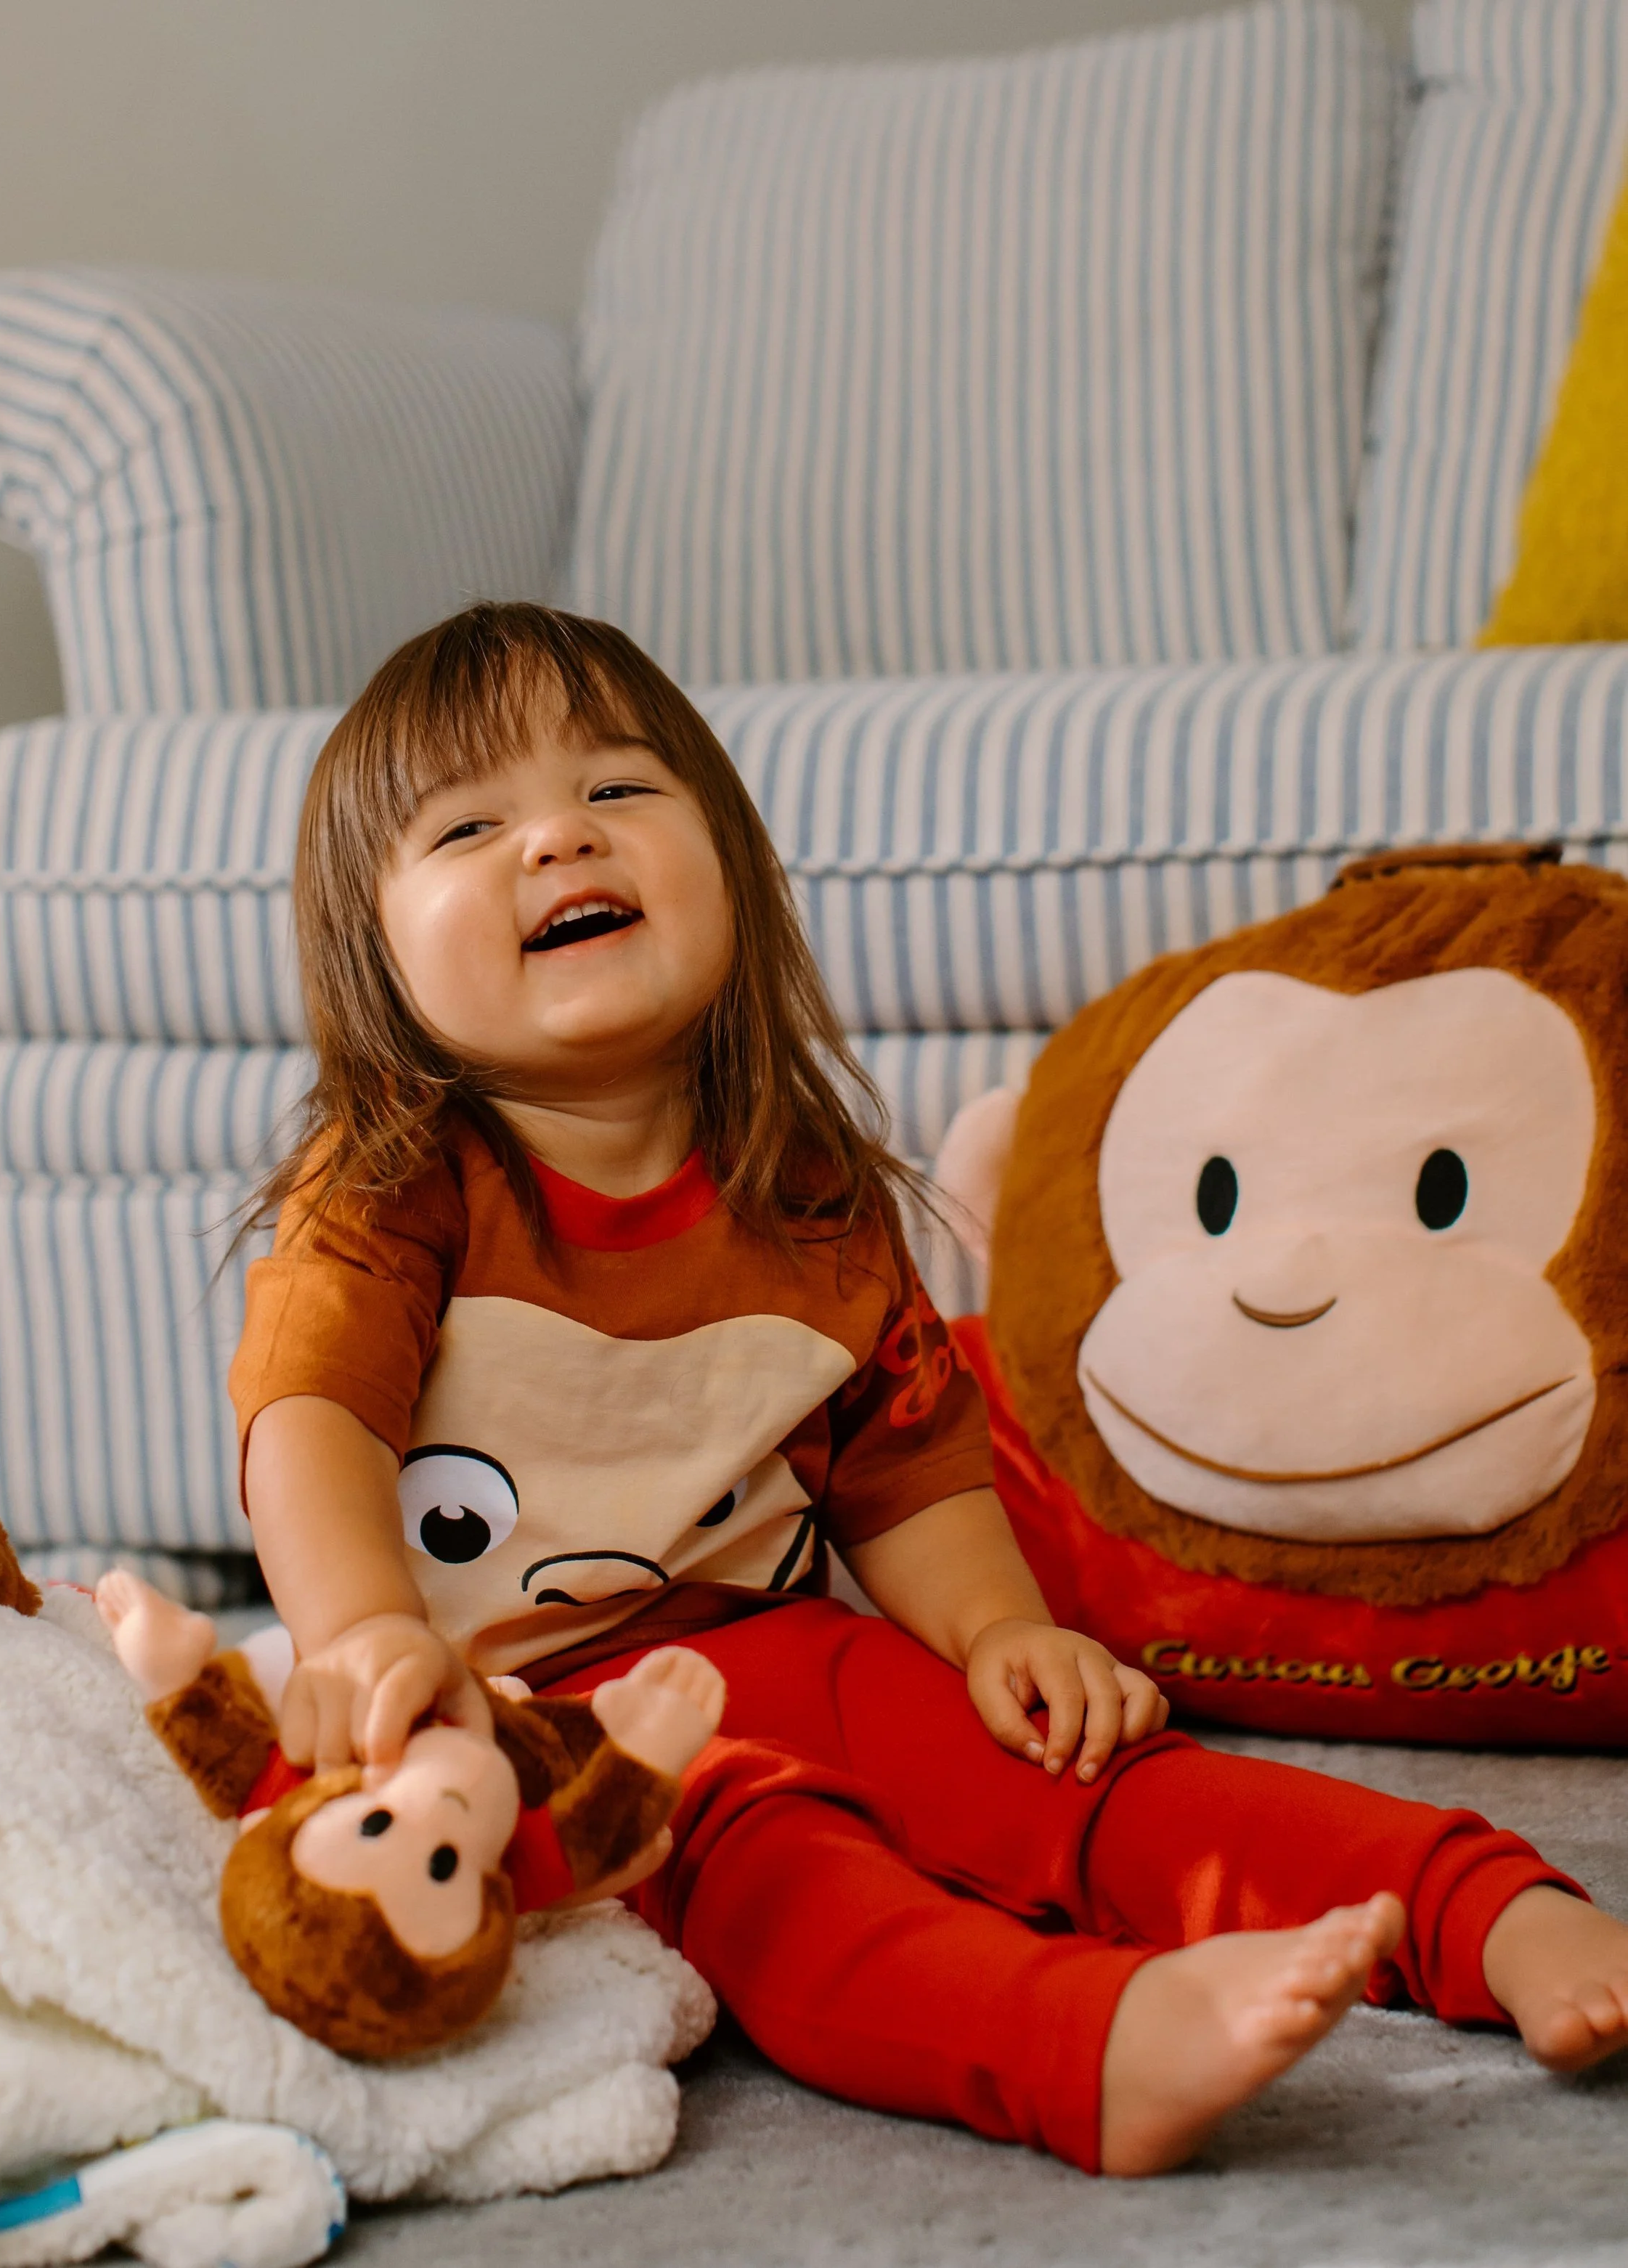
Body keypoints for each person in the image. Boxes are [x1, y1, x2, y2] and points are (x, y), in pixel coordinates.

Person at [228, 600, 1628, 2175]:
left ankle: (1480, 1907)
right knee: (786, 1883)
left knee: (1085, 1781)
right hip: (529, 1719)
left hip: (781, 1644)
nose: (559, 836)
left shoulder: (805, 1182)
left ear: (731, 864)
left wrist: (996, 1630)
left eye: (615, 788)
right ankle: (1085, 2045)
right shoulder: (392, 1183)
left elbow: (905, 1466)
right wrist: (364, 1631)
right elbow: (312, 1419)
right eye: (471, 827)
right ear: (373, 944)